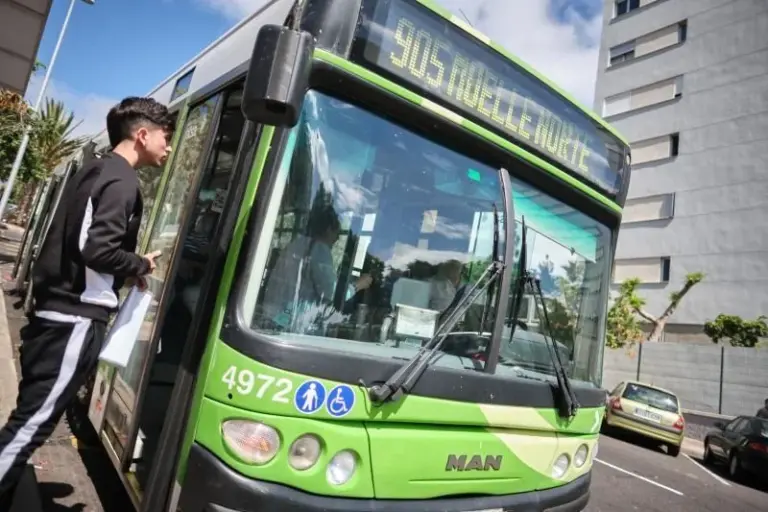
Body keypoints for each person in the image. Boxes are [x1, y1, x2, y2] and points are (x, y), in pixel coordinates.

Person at [0, 97, 173, 509]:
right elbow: (97, 249)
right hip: (73, 321)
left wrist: (123, 270)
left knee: (30, 418)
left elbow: (82, 245)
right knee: (31, 427)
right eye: (166, 137)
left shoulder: (95, 170)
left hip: (57, 315)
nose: (168, 148)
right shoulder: (123, 181)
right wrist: (138, 263)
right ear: (142, 134)